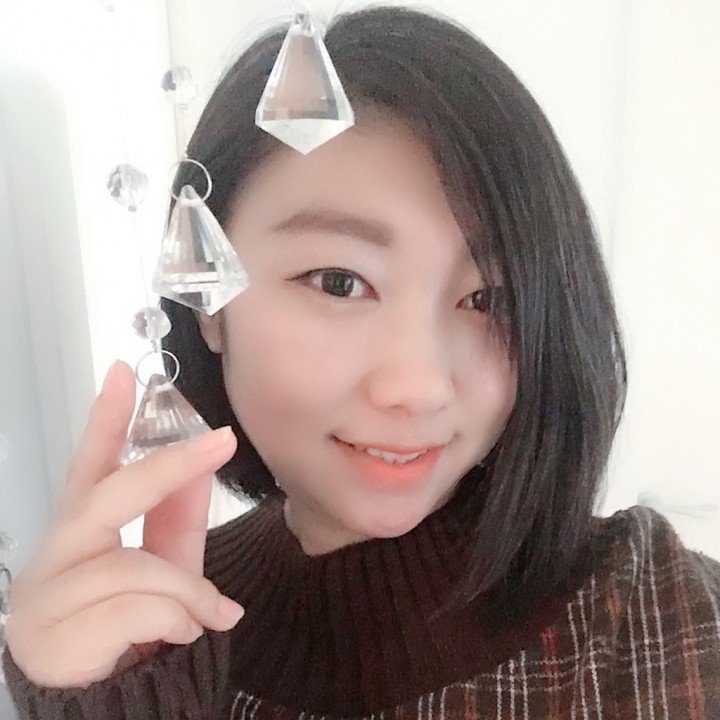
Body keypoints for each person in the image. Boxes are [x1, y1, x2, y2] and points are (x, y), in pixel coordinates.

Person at [3, 5, 719, 719]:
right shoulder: (142, 636)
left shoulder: (656, 617)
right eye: (339, 282)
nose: (419, 387)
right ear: (209, 302)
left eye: (488, 298)